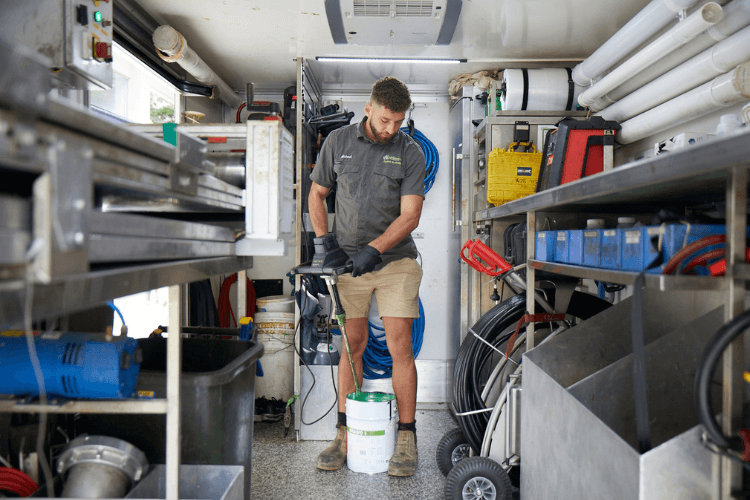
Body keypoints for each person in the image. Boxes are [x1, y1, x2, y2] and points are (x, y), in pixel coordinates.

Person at [308, 76, 425, 477]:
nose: (392, 128)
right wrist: (325, 243)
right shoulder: (337, 143)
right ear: (369, 109)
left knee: (400, 345)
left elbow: (410, 215)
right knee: (352, 345)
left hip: (395, 263)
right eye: (387, 120)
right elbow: (317, 194)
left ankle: (406, 436)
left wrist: (374, 250)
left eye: (398, 121)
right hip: (348, 265)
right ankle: (343, 433)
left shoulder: (409, 152)